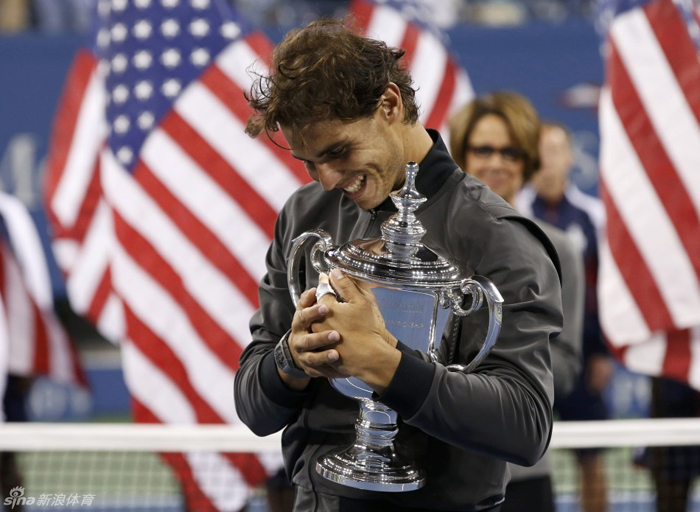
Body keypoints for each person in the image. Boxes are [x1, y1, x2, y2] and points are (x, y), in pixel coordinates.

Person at [234, 18, 563, 511]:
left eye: (337, 152)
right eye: (309, 163)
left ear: (389, 104)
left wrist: (386, 365)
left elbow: (525, 426)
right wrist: (291, 359)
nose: (325, 180)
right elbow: (253, 407)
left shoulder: (499, 238)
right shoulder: (305, 215)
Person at [449, 92, 584, 512]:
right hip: (442, 468)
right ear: (461, 155)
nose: (497, 162)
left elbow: (565, 365)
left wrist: (483, 365)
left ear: (526, 162)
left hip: (524, 473)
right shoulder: (428, 245)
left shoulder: (559, 248)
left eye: (510, 152)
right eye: (483, 149)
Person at [518, 122, 611, 512]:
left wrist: (603, 352)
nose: (548, 158)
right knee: (525, 454)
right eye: (541, 149)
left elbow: (607, 288)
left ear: (571, 157)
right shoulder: (514, 214)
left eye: (556, 148)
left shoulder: (594, 216)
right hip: (526, 356)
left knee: (591, 458)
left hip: (581, 357)